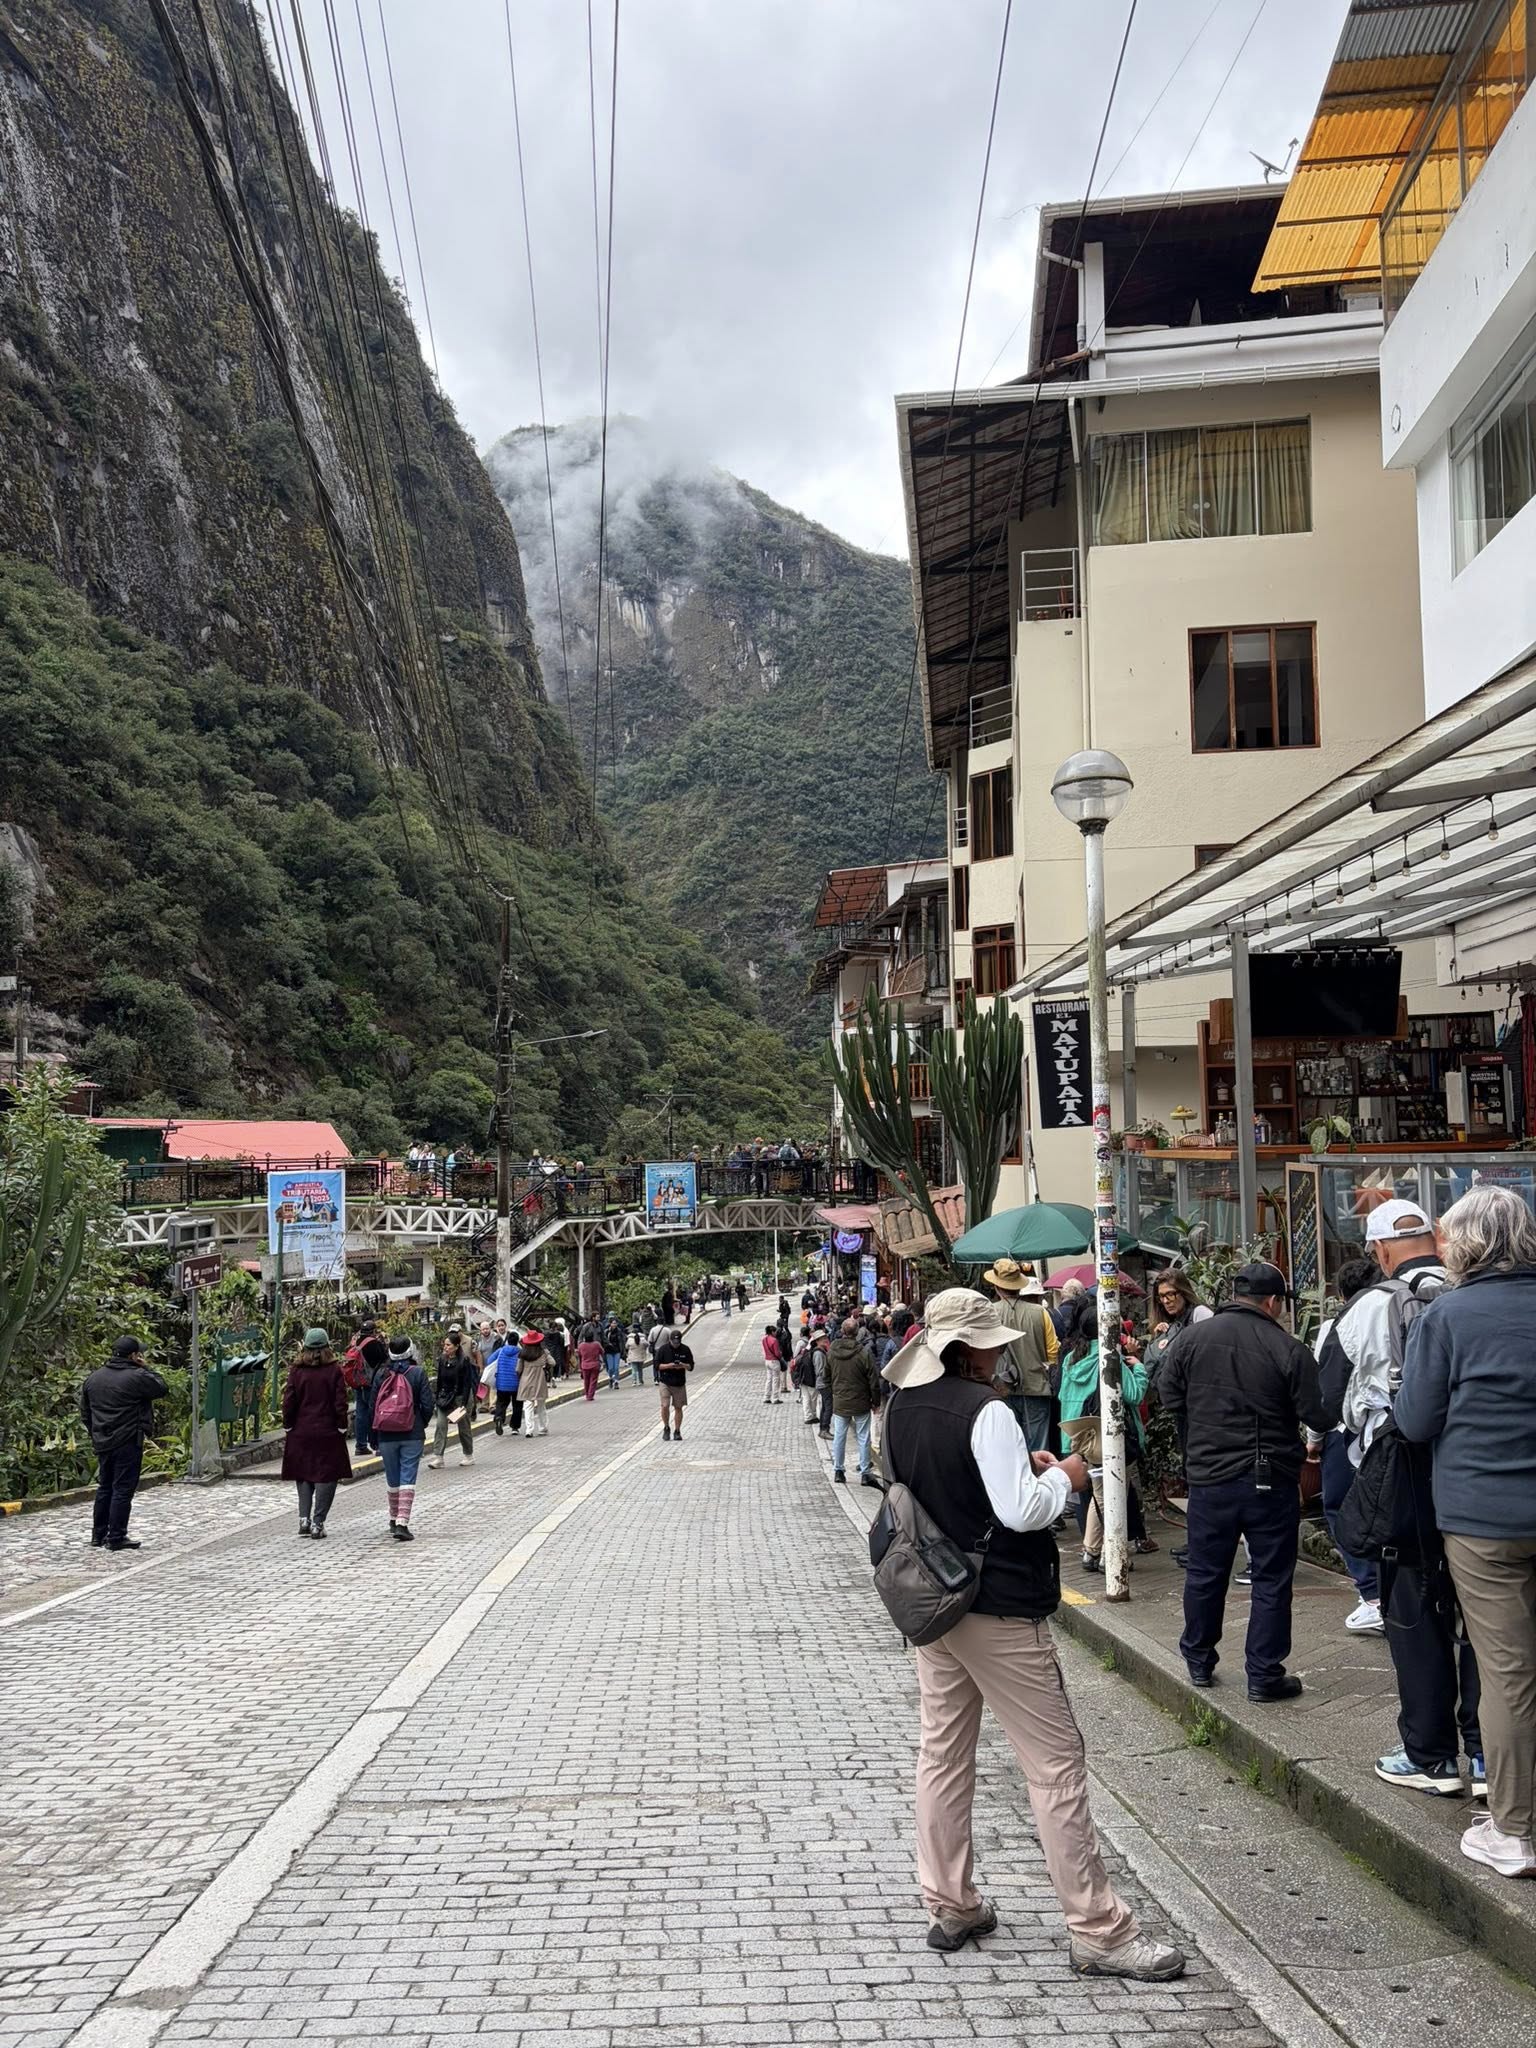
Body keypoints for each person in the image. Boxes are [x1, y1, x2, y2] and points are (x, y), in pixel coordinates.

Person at [882, 1288, 1183, 1978]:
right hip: (999, 1606)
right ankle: (1099, 1927)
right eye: (990, 1341)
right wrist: (1068, 1476)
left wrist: (1025, 1473)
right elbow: (1018, 1512)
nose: (999, 1349)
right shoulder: (985, 1410)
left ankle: (950, 1901)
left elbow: (931, 1489)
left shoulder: (901, 1406)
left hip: (934, 1604)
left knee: (943, 1752)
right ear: (972, 1349)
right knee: (1055, 1765)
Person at [1319, 1199, 1483, 1795]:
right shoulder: (1471, 1291)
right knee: (1486, 1623)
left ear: (1380, 1249)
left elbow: (1327, 1394)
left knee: (1414, 1617)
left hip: (1400, 1483)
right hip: (1472, 1478)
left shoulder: (1366, 1307)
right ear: (1434, 1240)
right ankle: (1488, 1753)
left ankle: (1429, 1756)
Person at [1396, 1184, 1532, 1868]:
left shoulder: (1448, 1317)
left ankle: (1512, 1828)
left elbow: (1414, 1422)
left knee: (1509, 1674)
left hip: (1483, 1517)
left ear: (1467, 1246)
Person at [1159, 1260, 1329, 1702]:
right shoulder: (1287, 1348)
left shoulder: (1190, 1339)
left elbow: (1168, 1393)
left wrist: (1199, 1429)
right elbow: (1319, 1414)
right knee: (1271, 1578)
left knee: (1204, 1571)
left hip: (1209, 1478)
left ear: (1235, 1295)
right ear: (1272, 1302)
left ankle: (1198, 1661)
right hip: (1269, 1480)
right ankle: (1263, 1675)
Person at [1307, 1257, 1383, 1633]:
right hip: (1396, 1429)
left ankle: (1372, 1594)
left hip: (1345, 1430)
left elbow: (1327, 1390)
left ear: (1340, 1294)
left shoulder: (1334, 1327)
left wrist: (1314, 1439)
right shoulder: (1401, 1309)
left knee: (1338, 1506)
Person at [1057, 1306, 1148, 1574]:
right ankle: (1111, 1555)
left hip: (1078, 1435)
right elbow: (1133, 1394)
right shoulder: (1110, 1357)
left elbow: (1063, 1396)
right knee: (1111, 1495)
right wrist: (1139, 1367)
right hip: (1105, 1436)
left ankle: (1091, 1551)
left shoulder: (1072, 1358)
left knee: (1099, 1494)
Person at [81, 1335, 169, 1551]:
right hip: (128, 1439)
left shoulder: (93, 1379)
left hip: (102, 1440)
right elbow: (161, 1387)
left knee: (105, 1486)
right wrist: (146, 1367)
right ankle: (116, 1536)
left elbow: (85, 1412)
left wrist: (96, 1432)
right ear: (134, 1355)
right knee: (122, 1488)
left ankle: (98, 1534)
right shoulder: (138, 1376)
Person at [281, 1327, 351, 1538]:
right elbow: (340, 1403)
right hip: (328, 1431)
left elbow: (288, 1401)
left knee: (303, 1474)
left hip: (301, 1432)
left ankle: (304, 1518)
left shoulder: (296, 1371)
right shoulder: (334, 1370)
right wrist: (342, 1426)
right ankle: (318, 1523)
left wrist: (288, 1425)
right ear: (328, 1347)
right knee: (326, 1476)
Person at [984, 1259, 1059, 1452]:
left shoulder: (989, 1313)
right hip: (1037, 1387)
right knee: (1039, 1448)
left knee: (1009, 1446)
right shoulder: (1040, 1312)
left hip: (1000, 1388)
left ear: (996, 1285)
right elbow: (1053, 1351)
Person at [369, 1334, 433, 1540]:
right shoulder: (418, 1373)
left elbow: (372, 1407)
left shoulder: (381, 1374)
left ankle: (392, 1516)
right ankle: (402, 1522)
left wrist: (374, 1435)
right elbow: (427, 1404)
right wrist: (419, 1423)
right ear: (410, 1350)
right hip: (412, 1433)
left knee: (392, 1476)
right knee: (408, 1476)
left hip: (386, 1433)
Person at [827, 1316, 881, 1488]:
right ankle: (865, 1472)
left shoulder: (832, 1351)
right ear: (857, 1333)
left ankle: (838, 1471)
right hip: (861, 1400)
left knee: (840, 1436)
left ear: (842, 1331)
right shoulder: (863, 1353)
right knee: (864, 1437)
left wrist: (832, 1393)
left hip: (840, 1400)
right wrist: (876, 1400)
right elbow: (873, 1379)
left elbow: (825, 1375)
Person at [1141, 1272, 1212, 1396]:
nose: (1166, 1301)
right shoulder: (1170, 1322)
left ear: (1183, 1292)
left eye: (1170, 1294)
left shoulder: (1199, 1314)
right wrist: (1159, 1340)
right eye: (1161, 1296)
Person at [429, 1326, 478, 1468]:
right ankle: (438, 1457)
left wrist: (463, 1403)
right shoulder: (443, 1360)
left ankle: (468, 1455)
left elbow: (467, 1383)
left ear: (456, 1347)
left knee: (463, 1427)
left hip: (460, 1398)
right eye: (444, 1344)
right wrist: (437, 1397)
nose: (445, 1347)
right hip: (445, 1399)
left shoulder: (464, 1361)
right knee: (440, 1425)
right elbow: (439, 1380)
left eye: (448, 1345)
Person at [342, 1319, 379, 1456]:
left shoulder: (354, 1341)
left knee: (360, 1414)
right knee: (375, 1412)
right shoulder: (373, 1343)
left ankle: (361, 1445)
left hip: (357, 1383)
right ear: (373, 1331)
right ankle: (377, 1444)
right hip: (370, 1384)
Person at [655, 1325, 694, 1441]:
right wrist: (669, 1365)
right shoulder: (663, 1350)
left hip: (679, 1382)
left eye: (678, 1342)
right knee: (665, 1405)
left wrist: (683, 1365)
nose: (676, 1344)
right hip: (665, 1381)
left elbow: (691, 1366)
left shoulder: (685, 1349)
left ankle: (677, 1430)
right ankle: (666, 1427)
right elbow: (657, 1366)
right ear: (670, 1340)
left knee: (678, 1407)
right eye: (674, 1342)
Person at [518, 1329, 552, 1435]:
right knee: (541, 1405)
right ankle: (542, 1428)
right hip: (539, 1380)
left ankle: (529, 1429)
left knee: (528, 1405)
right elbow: (553, 1362)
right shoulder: (543, 1352)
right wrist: (544, 1363)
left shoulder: (523, 1353)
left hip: (526, 1380)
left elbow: (518, 1369)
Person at [491, 1329, 522, 1436]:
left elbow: (489, 1360)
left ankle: (499, 1417)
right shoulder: (520, 1352)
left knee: (501, 1402)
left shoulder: (500, 1350)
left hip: (502, 1383)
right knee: (517, 1405)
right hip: (516, 1383)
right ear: (517, 1341)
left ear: (508, 1340)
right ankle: (515, 1427)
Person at [577, 1321, 604, 1400]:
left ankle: (586, 1394)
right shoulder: (596, 1344)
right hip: (595, 1364)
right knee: (593, 1381)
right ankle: (590, 1395)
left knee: (586, 1381)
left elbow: (579, 1354)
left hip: (585, 1365)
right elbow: (602, 1351)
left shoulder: (581, 1346)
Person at [602, 1312, 625, 1391]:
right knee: (610, 1368)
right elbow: (604, 1341)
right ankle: (611, 1378)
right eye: (613, 1323)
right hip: (609, 1351)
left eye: (615, 1323)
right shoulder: (606, 1332)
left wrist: (623, 1351)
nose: (614, 1325)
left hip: (617, 1351)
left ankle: (616, 1381)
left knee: (616, 1367)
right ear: (610, 1324)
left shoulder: (619, 1332)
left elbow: (622, 1341)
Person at [761, 1323, 784, 1404]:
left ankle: (766, 1397)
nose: (776, 1333)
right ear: (772, 1332)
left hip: (767, 1360)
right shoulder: (774, 1340)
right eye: (775, 1332)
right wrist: (781, 1354)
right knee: (776, 1380)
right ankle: (775, 1398)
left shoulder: (764, 1339)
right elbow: (777, 1353)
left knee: (769, 1379)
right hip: (774, 1361)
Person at [627, 1323, 648, 1388]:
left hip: (632, 1356)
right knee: (640, 1369)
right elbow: (647, 1344)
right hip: (640, 1355)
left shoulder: (630, 1339)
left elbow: (626, 1346)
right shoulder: (643, 1338)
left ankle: (634, 1381)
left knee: (634, 1369)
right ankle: (640, 1381)